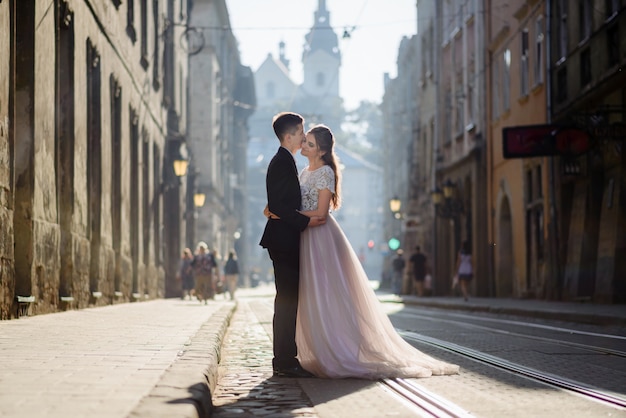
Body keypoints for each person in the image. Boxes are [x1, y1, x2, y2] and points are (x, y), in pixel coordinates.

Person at [291, 124, 459, 379]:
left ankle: (337, 348)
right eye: (305, 142)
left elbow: (322, 214)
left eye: (310, 144)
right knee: (312, 293)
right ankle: (319, 346)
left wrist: (290, 216)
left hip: (320, 237)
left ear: (322, 151)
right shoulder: (304, 172)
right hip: (306, 234)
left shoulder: (325, 172)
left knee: (329, 292)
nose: (304, 146)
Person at [259, 112, 326, 379]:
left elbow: (277, 206)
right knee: (287, 301)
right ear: (289, 136)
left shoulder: (285, 161)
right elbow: (278, 206)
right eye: (300, 132)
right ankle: (285, 360)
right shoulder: (282, 162)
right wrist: (307, 223)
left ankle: (285, 358)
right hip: (284, 240)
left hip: (284, 238)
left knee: (289, 300)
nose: (303, 136)